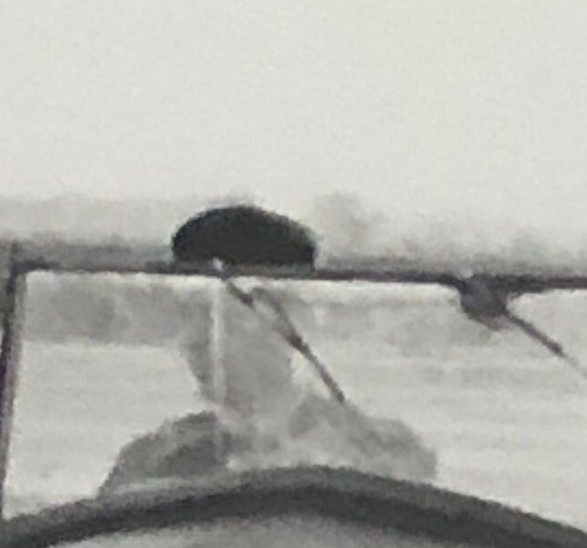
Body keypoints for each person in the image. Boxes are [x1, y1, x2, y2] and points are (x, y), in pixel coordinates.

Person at [104, 206, 436, 490]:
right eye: (188, 314)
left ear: (286, 314)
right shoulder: (151, 461)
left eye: (214, 316)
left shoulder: (384, 452)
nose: (192, 339)